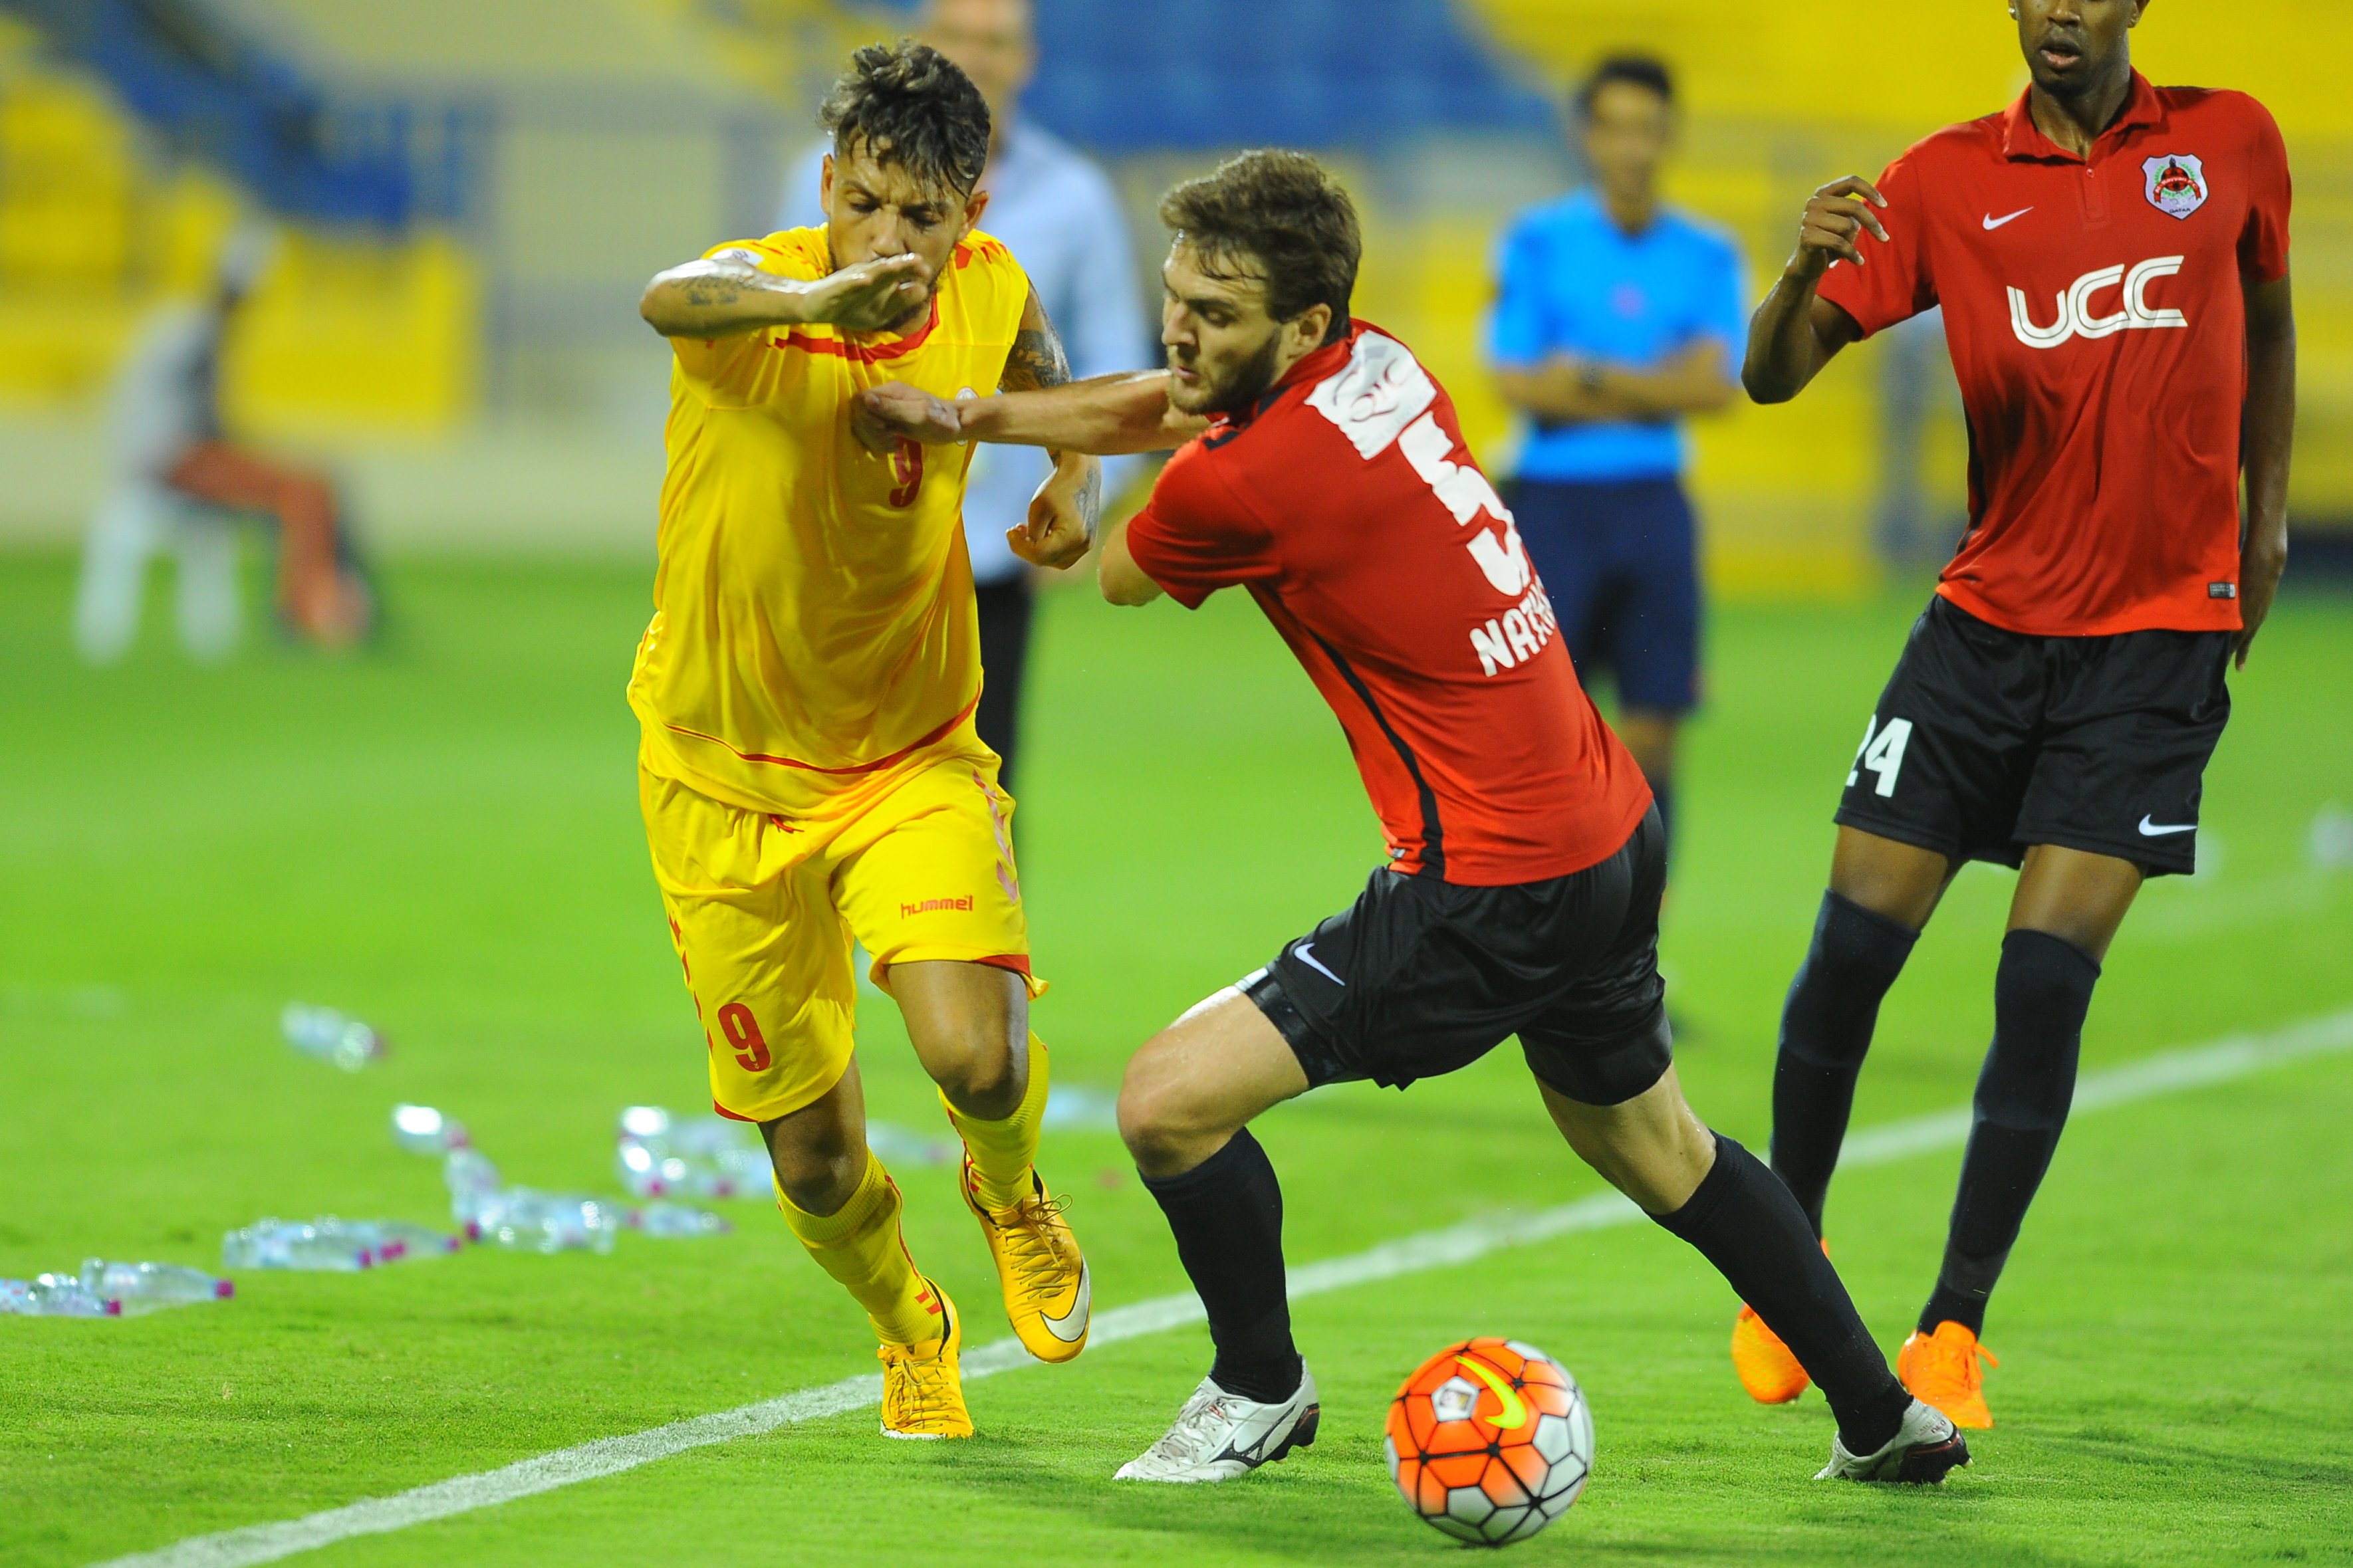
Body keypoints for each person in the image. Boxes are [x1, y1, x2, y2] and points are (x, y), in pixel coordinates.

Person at [857, 150, 1968, 1488]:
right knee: (1655, 1144)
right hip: (1606, 832)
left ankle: (1256, 1387)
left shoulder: (1238, 484)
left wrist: (1064, 480)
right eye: (1175, 298)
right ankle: (1880, 1413)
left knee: (1165, 1105)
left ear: (1302, 325)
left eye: (1214, 313)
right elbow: (1182, 400)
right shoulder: (1375, 362)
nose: (1179, 331)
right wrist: (978, 417)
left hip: (1485, 882)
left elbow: (1122, 573)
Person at [1735, 0, 2294, 1430]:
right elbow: (1770, 376)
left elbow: (2268, 317)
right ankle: (1783, 1267)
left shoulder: (2229, 141)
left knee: (2041, 983)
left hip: (2151, 651)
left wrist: (2265, 516)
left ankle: (1949, 1325)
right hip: (1979, 636)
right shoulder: (1939, 179)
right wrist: (1797, 271)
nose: (2057, 6)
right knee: (1847, 955)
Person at [631, 41, 1101, 1441]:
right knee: (816, 1158)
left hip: (906, 753)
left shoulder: (988, 283)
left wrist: (1072, 476)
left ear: (969, 214)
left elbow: (1035, 352)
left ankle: (1011, 1195)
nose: (888, 237)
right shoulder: (756, 299)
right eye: (864, 203)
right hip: (720, 780)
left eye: (921, 215)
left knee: (976, 1056)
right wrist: (810, 296)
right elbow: (664, 295)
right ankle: (909, 1324)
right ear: (828, 183)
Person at [777, 0, 1146, 795]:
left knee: (979, 779)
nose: (975, 57)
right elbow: (778, 332)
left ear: (1027, 59)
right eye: (957, 37)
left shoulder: (1075, 196)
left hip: (988, 550)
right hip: (835, 546)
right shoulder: (825, 173)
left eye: (996, 42)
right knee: (811, 784)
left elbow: (1116, 358)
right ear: (925, 44)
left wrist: (1085, 489)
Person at [1487, 56, 1745, 853]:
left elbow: (1716, 389)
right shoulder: (1536, 241)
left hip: (1651, 502)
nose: (1632, 147)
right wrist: (1659, 382)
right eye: (1615, 128)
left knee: (1653, 733)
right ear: (1585, 135)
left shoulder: (1707, 252)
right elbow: (1518, 382)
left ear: (1668, 137)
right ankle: (1548, 910)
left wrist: (1590, 374)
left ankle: (1640, 924)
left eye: (1647, 129)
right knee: (1542, 730)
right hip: (1550, 505)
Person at [75, 227, 372, 662]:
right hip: (170, 460)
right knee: (303, 491)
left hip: (171, 455)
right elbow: (199, 418)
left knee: (307, 488)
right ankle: (306, 613)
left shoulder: (188, 325)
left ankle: (313, 604)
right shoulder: (196, 332)